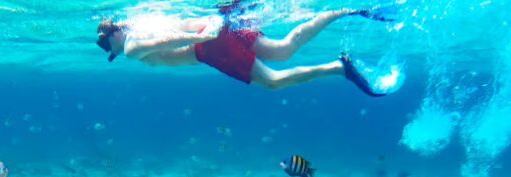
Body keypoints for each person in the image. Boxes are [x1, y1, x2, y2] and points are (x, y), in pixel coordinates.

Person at [95, 3, 402, 96]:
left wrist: (208, 33)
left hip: (211, 46)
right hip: (217, 33)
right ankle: (345, 11)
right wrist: (213, 27)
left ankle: (338, 68)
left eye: (106, 45)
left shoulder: (133, 44)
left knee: (273, 80)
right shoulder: (141, 28)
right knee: (283, 49)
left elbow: (167, 42)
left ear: (113, 36)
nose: (111, 52)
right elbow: (168, 37)